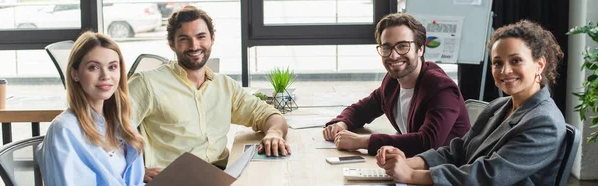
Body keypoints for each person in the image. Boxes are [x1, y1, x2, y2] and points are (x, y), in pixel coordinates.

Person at [375, 20, 566, 185]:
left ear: (539, 64)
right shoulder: (499, 106)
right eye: (497, 63)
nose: (505, 70)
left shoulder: (544, 122)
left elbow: (489, 176)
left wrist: (412, 175)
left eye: (516, 61)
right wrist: (408, 162)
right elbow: (458, 150)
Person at [128, 6, 290, 182]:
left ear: (212, 39)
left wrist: (274, 133)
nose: (194, 45)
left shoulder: (224, 85)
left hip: (218, 175)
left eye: (201, 37)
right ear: (171, 43)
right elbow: (106, 132)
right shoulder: (146, 83)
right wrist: (136, 171)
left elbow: (269, 114)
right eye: (184, 39)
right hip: (172, 180)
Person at [322, 13, 470, 157]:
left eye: (402, 46)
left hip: (446, 174)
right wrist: (341, 124)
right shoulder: (392, 82)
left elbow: (427, 142)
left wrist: (362, 141)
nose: (393, 55)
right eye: (386, 47)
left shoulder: (441, 88)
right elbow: (361, 110)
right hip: (411, 167)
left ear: (420, 49)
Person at [37, 31, 145, 186]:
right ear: (75, 74)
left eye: (112, 67)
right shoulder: (64, 130)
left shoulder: (125, 125)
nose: (105, 75)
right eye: (93, 67)